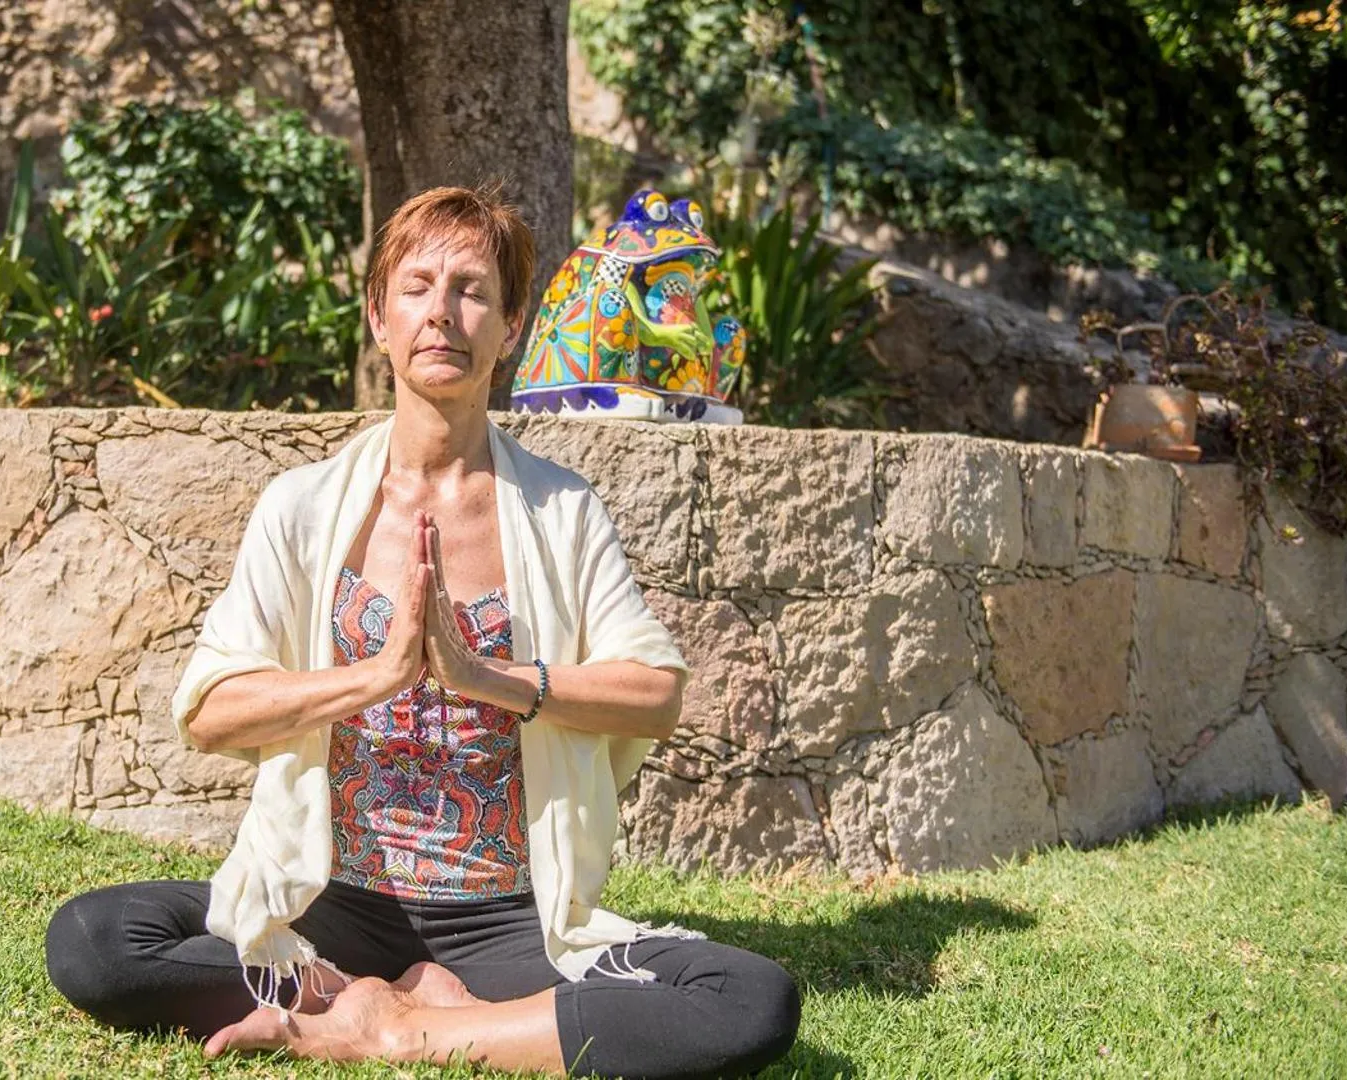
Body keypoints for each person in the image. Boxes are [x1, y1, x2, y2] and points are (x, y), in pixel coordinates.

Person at [44, 186, 800, 1079]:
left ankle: (396, 1028)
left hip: (506, 921)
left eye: (472, 290)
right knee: (94, 939)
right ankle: (413, 1005)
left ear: (510, 327)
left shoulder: (560, 510)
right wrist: (374, 676)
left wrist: (487, 677)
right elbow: (211, 710)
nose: (441, 311)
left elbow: (655, 696)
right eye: (416, 286)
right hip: (328, 903)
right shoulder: (302, 506)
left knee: (748, 1000)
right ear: (379, 317)